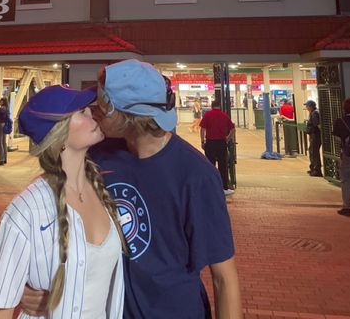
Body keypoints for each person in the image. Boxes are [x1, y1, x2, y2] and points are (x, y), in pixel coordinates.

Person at [21, 60, 242, 319]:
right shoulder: (97, 155)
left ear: (127, 115)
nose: (95, 110)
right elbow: (48, 209)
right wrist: (29, 283)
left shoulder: (196, 176)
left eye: (103, 105)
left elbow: (224, 279)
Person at [0, 85, 125, 318]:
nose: (93, 114)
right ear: (58, 135)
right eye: (82, 112)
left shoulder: (104, 192)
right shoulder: (26, 211)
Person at [200, 100, 236, 195]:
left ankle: (209, 187)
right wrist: (227, 138)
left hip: (210, 143)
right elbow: (233, 129)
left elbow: (202, 129)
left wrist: (203, 141)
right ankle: (224, 187)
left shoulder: (207, 115)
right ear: (220, 106)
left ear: (212, 106)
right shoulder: (224, 115)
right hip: (221, 143)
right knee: (222, 165)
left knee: (210, 165)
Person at [332, 97, 350, 217]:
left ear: (343, 108)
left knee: (346, 179)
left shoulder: (340, 121)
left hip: (348, 153)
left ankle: (347, 207)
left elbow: (337, 137)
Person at [304, 99, 322, 176]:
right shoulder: (313, 113)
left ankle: (316, 170)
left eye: (307, 106)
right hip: (313, 135)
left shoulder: (314, 114)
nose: (306, 108)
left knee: (314, 152)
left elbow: (317, 125)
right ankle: (313, 168)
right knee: (312, 151)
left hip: (315, 135)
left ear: (311, 106)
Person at [0, 97, 9, 165]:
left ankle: (1, 160)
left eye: (0, 101)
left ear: (2, 102)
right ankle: (5, 158)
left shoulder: (0, 109)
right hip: (5, 125)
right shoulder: (6, 109)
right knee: (3, 142)